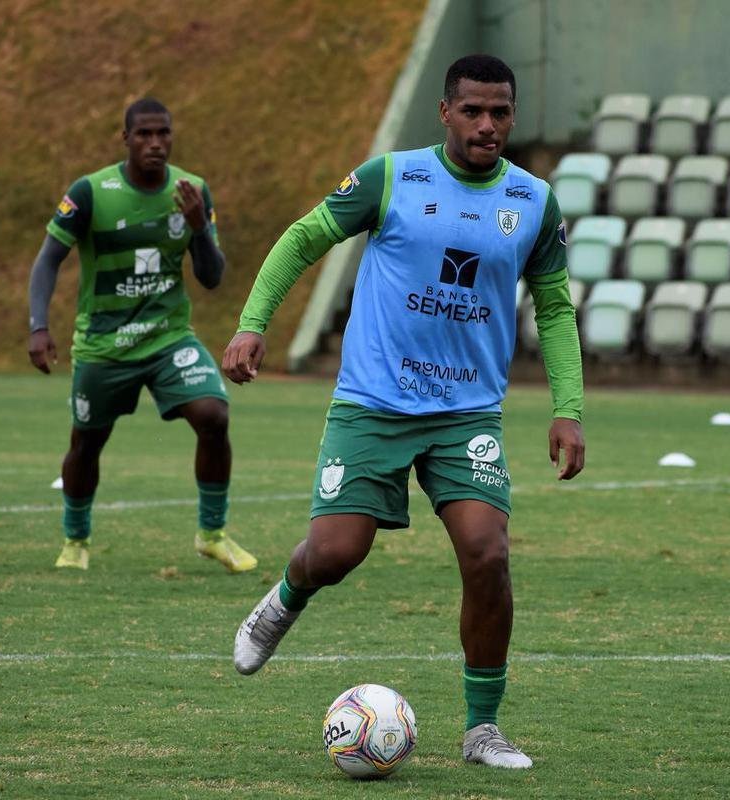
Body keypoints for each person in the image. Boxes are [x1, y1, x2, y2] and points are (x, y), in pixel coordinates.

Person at [221, 55, 585, 768]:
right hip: (373, 402)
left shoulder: (534, 201)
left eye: (501, 112)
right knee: (335, 552)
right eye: (474, 110)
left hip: (467, 414)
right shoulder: (391, 178)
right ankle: (284, 598)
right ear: (445, 112)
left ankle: (483, 730)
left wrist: (567, 408)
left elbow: (555, 304)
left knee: (488, 554)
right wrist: (252, 322)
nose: (488, 125)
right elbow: (304, 238)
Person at [27, 97, 256, 574]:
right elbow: (49, 258)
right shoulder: (90, 192)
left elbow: (212, 277)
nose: (155, 143)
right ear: (125, 139)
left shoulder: (192, 192)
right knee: (86, 443)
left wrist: (198, 230)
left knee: (214, 414)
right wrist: (39, 325)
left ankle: (212, 534)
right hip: (104, 344)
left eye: (163, 134)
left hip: (167, 338)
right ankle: (75, 539)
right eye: (144, 134)